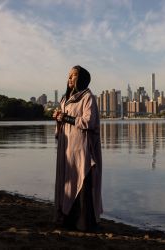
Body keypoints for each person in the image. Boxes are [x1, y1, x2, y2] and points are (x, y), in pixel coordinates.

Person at [53, 65, 103, 231]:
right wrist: (58, 118)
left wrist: (66, 117)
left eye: (73, 75)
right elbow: (61, 126)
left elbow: (90, 121)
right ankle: (67, 220)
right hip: (67, 151)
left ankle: (84, 224)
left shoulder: (88, 97)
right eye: (69, 75)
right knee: (68, 184)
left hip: (82, 151)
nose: (70, 78)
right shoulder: (64, 99)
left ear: (81, 78)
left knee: (82, 183)